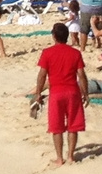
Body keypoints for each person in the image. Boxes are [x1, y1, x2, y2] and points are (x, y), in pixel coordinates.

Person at [32, 21, 90, 165]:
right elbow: (81, 75)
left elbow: (42, 75)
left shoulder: (47, 53)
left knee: (56, 126)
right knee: (73, 125)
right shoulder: (75, 53)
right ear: (67, 37)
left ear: (54, 36)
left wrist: (38, 92)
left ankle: (59, 157)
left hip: (56, 93)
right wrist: (86, 92)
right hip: (72, 91)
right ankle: (70, 156)